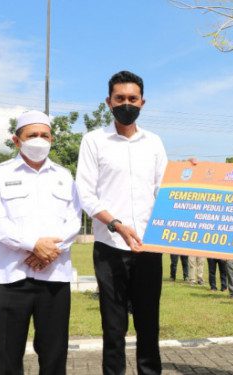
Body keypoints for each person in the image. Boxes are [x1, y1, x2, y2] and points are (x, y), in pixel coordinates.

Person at [76, 71, 168, 375]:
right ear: (108, 102)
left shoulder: (154, 142)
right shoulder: (94, 141)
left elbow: (165, 190)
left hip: (148, 246)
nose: (126, 104)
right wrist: (116, 224)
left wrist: (189, 176)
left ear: (142, 102)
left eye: (132, 99)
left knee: (148, 326)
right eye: (120, 99)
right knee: (113, 329)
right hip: (110, 247)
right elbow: (86, 194)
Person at [0, 110, 81, 374]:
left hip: (54, 278)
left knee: (54, 356)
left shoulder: (64, 175)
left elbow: (73, 221)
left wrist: (48, 252)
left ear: (52, 139)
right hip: (8, 278)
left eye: (44, 135)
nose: (39, 140)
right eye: (32, 135)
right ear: (16, 140)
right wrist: (33, 245)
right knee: (5, 358)